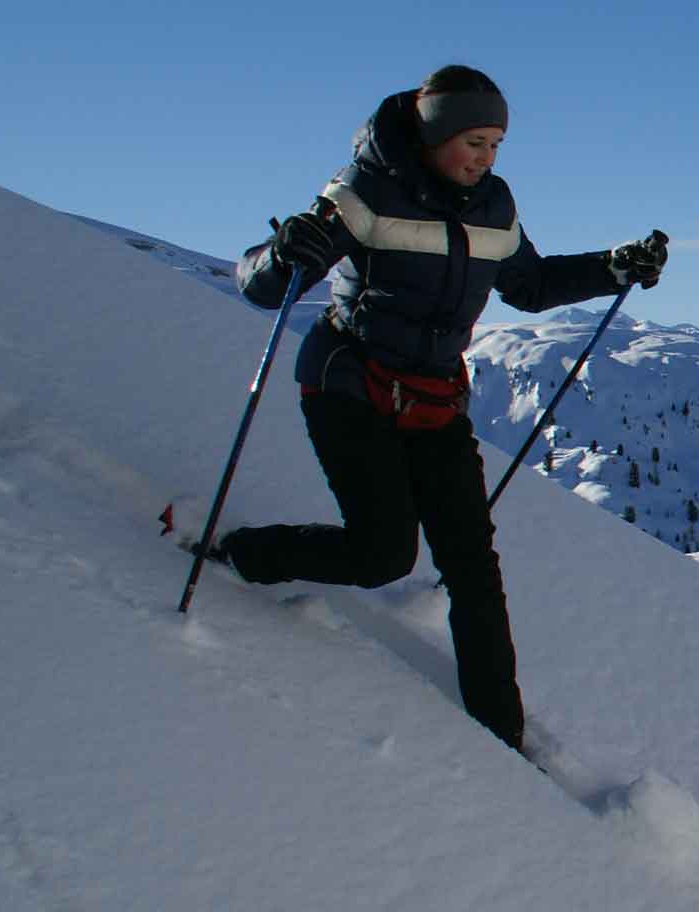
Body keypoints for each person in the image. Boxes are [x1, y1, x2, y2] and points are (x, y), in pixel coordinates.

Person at [216, 64, 667, 754]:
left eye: (495, 145)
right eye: (473, 142)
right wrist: (280, 255)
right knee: (381, 555)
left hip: (434, 400)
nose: (484, 159)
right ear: (434, 136)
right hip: (349, 388)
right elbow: (260, 284)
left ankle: (502, 736)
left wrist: (613, 267)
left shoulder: (496, 205)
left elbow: (530, 285)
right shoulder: (363, 192)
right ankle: (246, 555)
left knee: (474, 568)